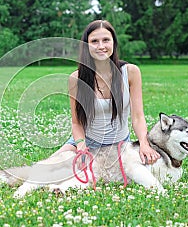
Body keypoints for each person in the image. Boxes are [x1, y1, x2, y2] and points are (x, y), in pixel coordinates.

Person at [53, 20, 159, 165]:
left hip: (119, 145)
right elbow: (76, 123)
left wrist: (144, 144)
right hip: (86, 142)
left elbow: (138, 117)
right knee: (48, 167)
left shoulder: (131, 72)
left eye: (106, 40)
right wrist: (81, 148)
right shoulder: (76, 78)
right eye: (94, 41)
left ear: (113, 43)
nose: (101, 46)